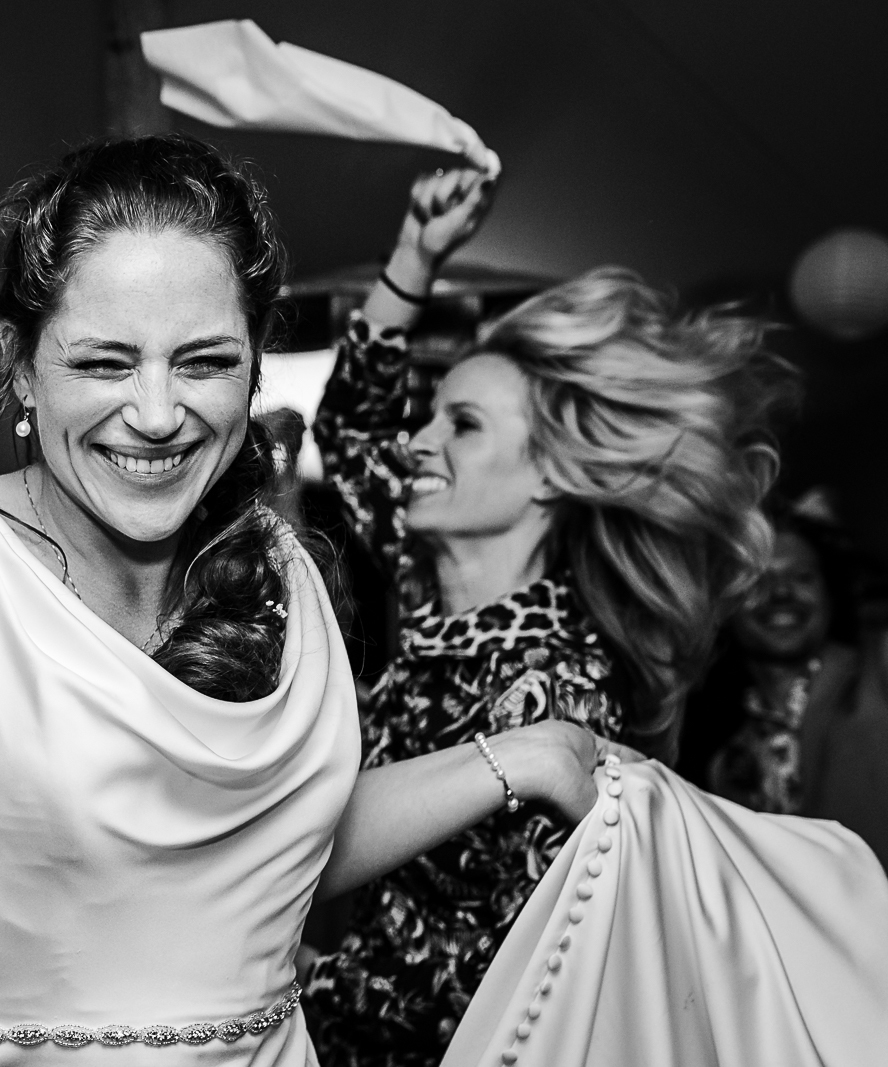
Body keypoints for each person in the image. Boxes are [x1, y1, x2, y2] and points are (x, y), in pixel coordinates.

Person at [0, 134, 631, 1067]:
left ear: (255, 364)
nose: (155, 413)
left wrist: (515, 757)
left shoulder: (281, 570)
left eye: (204, 361)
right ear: (21, 364)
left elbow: (272, 855)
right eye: (105, 363)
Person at [302, 170, 794, 1066]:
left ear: (552, 474)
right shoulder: (429, 578)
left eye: (462, 424)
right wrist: (415, 255)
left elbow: (511, 976)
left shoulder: (549, 689)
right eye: (429, 415)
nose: (418, 441)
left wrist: (311, 988)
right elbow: (348, 432)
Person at [679, 498, 888, 862]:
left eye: (802, 577)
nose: (781, 593)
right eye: (756, 581)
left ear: (830, 592)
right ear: (723, 605)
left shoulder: (878, 669)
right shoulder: (717, 750)